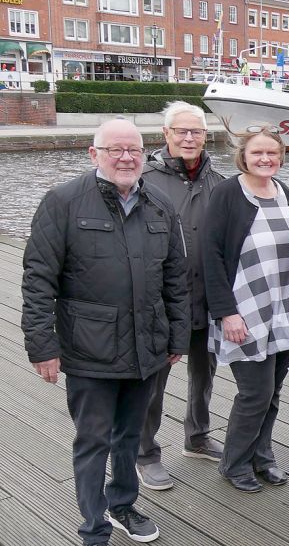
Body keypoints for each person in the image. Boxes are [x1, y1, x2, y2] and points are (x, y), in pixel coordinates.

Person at [21, 118, 190, 546]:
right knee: (94, 439)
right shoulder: (62, 202)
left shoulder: (158, 205)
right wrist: (43, 345)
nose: (126, 157)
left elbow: (175, 278)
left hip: (145, 347)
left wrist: (177, 337)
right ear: (94, 154)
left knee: (130, 435)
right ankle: (94, 526)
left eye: (133, 149)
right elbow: (38, 279)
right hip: (89, 350)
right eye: (115, 149)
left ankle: (122, 503)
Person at [202, 124, 289, 493]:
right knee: (253, 394)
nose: (265, 159)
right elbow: (210, 255)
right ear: (243, 155)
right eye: (257, 152)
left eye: (272, 153)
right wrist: (226, 312)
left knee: (272, 392)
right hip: (244, 310)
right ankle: (234, 463)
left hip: (283, 309)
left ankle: (262, 456)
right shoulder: (228, 193)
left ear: (281, 157)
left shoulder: (283, 191)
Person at [136, 101, 226, 491]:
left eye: (197, 132)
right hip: (161, 300)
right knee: (154, 379)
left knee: (204, 372)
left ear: (206, 136)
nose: (189, 138)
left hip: (207, 297)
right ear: (166, 135)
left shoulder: (220, 182)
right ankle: (144, 451)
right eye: (182, 131)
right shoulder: (144, 180)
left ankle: (197, 435)